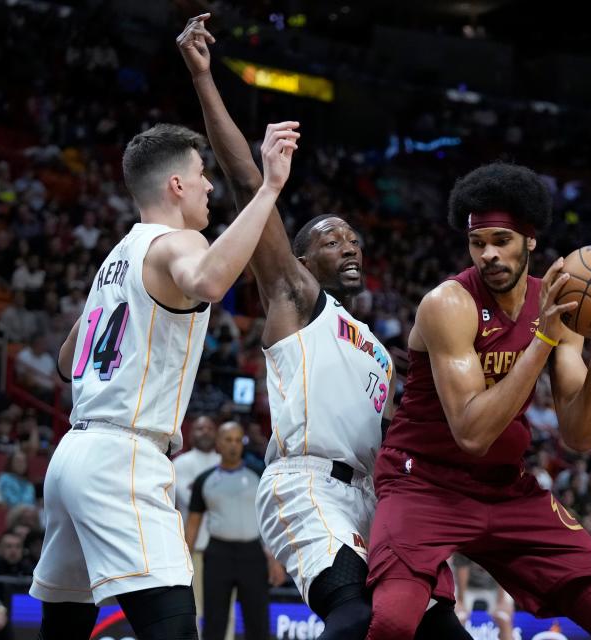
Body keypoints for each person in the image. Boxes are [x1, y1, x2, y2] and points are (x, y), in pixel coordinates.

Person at [179, 16, 470, 639]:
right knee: (358, 617)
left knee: (440, 629)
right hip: (307, 484)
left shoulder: (378, 350)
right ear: (302, 259)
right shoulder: (297, 297)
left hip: (375, 498)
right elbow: (247, 185)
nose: (349, 246)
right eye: (331, 239)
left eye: (355, 239)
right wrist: (205, 79)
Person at [29, 104, 300, 640]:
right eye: (203, 178)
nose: (209, 190)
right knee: (173, 624)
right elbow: (206, 282)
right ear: (177, 184)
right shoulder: (179, 241)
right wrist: (268, 188)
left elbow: (67, 362)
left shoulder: (116, 256)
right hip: (122, 459)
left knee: (66, 620)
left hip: (73, 454)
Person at [362, 161, 591, 640]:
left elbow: (580, 436)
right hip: (423, 482)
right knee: (393, 622)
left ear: (530, 240)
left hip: (503, 487)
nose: (488, 255)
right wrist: (543, 339)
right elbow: (473, 433)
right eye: (478, 243)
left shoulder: (556, 302)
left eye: (502, 241)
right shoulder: (447, 304)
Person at [185, 422, 283, 640]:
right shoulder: (205, 480)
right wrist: (185, 562)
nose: (233, 445)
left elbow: (271, 519)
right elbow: (193, 523)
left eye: (238, 440)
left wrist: (275, 559)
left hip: (252, 554)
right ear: (218, 443)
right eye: (228, 440)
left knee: (258, 623)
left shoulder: (259, 475)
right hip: (218, 554)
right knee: (214, 623)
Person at [172, 415, 221, 617]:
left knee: (222, 610)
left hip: (223, 547)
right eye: (200, 428)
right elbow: (188, 497)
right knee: (195, 610)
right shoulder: (180, 463)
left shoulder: (226, 461)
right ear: (191, 434)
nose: (206, 432)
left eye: (210, 427)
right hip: (193, 547)